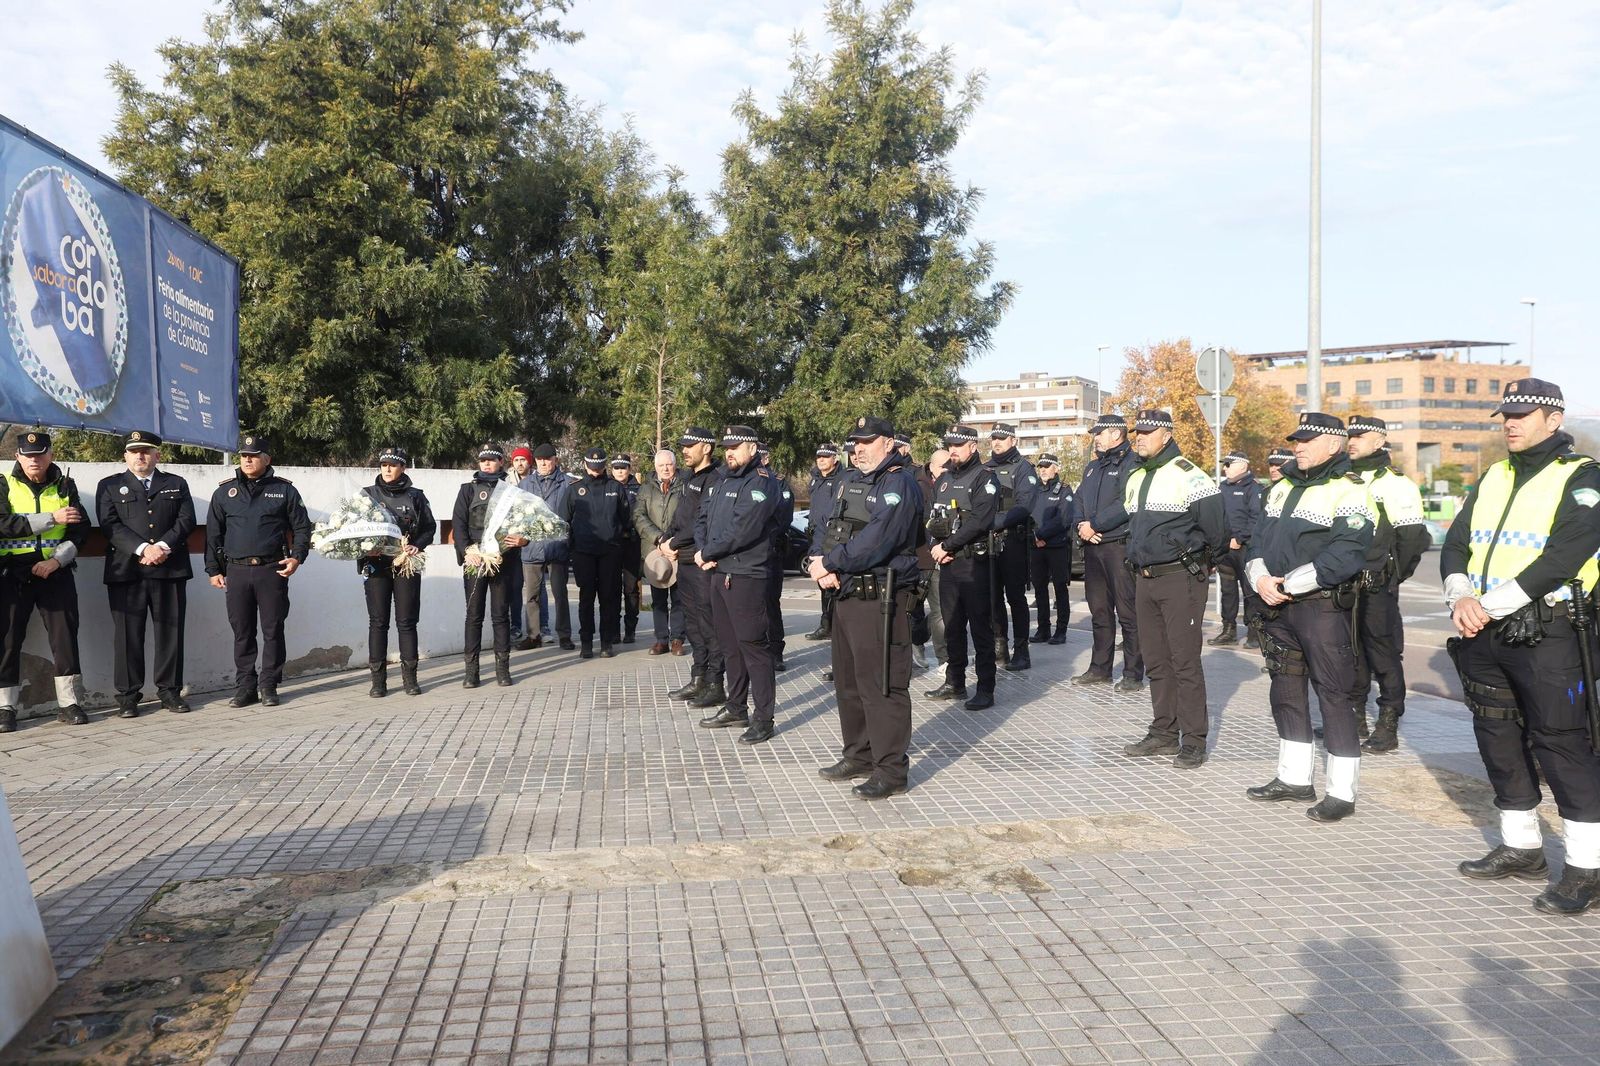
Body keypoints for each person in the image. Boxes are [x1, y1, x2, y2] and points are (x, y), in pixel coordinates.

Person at [1441, 378, 1600, 915]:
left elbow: (1563, 557)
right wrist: (1460, 594)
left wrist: (1488, 604)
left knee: (1562, 744)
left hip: (1547, 632)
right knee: (1497, 738)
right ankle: (1522, 847)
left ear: (1553, 420)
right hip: (1485, 632)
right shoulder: (1492, 475)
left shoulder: (1582, 479)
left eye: (1523, 414)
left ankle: (1586, 869)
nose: (1510, 422)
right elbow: (1457, 541)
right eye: (1505, 414)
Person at [1244, 412, 1374, 821]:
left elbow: (1347, 552)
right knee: (1285, 691)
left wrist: (1289, 585)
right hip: (1277, 606)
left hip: (1320, 606)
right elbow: (1256, 540)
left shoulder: (1350, 490)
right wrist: (1260, 577)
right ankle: (1295, 778)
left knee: (1333, 696)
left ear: (1333, 445)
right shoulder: (1280, 489)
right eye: (1297, 440)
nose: (1298, 446)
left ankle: (1341, 791)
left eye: (1308, 440)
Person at [809, 415, 924, 797]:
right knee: (848, 683)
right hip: (845, 594)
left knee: (882, 686)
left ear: (889, 443)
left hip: (881, 599)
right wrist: (817, 563)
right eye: (855, 441)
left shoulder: (899, 484)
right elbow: (830, 528)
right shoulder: (850, 481)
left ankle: (891, 770)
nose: (859, 447)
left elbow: (879, 539)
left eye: (868, 441)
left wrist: (831, 562)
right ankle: (858, 754)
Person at [1120, 409, 1227, 769]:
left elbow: (1216, 532)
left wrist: (1201, 564)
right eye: (1138, 432)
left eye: (1148, 432)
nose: (1140, 437)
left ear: (1167, 434)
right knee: (1156, 660)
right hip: (1144, 579)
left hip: (1180, 579)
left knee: (1184, 662)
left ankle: (1194, 740)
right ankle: (1164, 731)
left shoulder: (1190, 475)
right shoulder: (1135, 475)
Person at [205, 433, 313, 707]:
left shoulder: (284, 490)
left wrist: (297, 558)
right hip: (237, 571)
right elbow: (214, 535)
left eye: (253, 456)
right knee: (242, 632)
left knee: (272, 629)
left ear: (267, 459)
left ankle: (269, 685)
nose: (248, 460)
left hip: (271, 569)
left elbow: (302, 528)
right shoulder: (224, 492)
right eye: (244, 456)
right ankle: (245, 687)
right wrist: (213, 570)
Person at [96, 430, 196, 717]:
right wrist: (143, 549)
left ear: (157, 455)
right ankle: (128, 696)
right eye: (135, 451)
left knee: (170, 633)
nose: (140, 455)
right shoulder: (109, 486)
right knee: (127, 636)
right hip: (127, 572)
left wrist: (162, 546)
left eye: (146, 451)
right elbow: (110, 525)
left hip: (170, 568)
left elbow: (186, 519)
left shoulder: (176, 484)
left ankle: (169, 692)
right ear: (125, 455)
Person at [1346, 416, 1430, 752]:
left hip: (1377, 585)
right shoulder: (1342, 478)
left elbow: (1412, 540)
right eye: (1349, 435)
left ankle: (1389, 721)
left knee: (1383, 655)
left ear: (1380, 440)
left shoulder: (1397, 484)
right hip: (1345, 584)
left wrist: (1392, 575)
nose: (1352, 440)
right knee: (1351, 652)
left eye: (1360, 435)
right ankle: (1353, 718)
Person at [695, 426, 780, 742]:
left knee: (753, 649)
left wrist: (708, 551)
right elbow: (703, 519)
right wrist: (705, 551)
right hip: (718, 571)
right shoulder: (722, 479)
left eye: (735, 446)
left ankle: (763, 718)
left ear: (752, 448)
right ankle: (736, 707)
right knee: (729, 647)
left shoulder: (761, 482)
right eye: (726, 447)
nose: (729, 452)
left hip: (746, 576)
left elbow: (743, 529)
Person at [0, 431, 90, 727]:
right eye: (27, 454)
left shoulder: (65, 485)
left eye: (39, 454)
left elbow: (80, 531)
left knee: (64, 638)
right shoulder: (4, 483)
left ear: (50, 454)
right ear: (17, 457)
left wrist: (56, 560)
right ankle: (5, 708)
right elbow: (3, 525)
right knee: (8, 639)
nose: (34, 460)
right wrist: (52, 518)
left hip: (55, 572)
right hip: (12, 573)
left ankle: (68, 703)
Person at [925, 424, 1000, 711]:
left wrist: (947, 546)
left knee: (980, 627)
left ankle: (985, 688)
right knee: (951, 625)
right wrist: (936, 545)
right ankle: (955, 682)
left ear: (972, 446)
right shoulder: (943, 480)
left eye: (958, 445)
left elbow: (981, 520)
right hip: (948, 564)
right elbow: (931, 517)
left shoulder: (984, 478)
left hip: (973, 563)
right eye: (950, 445)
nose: (953, 450)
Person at [1072, 413, 1144, 690]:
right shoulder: (1092, 467)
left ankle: (1132, 672)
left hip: (1118, 545)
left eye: (1099, 433)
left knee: (1128, 613)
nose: (1096, 438)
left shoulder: (1132, 463)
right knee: (1099, 612)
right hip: (1093, 548)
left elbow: (1128, 503)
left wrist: (1096, 525)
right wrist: (1081, 524)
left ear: (1116, 434)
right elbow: (1078, 499)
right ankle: (1100, 669)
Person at [360, 447, 435, 697]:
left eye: (393, 465)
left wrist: (418, 545)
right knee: (378, 623)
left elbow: (429, 528)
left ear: (403, 467)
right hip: (376, 566)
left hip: (405, 564)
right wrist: (365, 549)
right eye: (383, 465)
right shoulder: (367, 495)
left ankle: (410, 679)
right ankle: (378, 681)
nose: (387, 469)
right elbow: (355, 530)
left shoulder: (416, 496)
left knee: (406, 622)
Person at [452, 443, 526, 687]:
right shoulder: (467, 490)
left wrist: (523, 539)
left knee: (500, 615)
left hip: (502, 560)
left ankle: (502, 670)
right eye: (483, 459)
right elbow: (459, 524)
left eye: (492, 460)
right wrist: (466, 550)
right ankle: (471, 672)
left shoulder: (513, 491)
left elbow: (525, 523)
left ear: (501, 463)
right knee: (473, 616)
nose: (486, 463)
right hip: (475, 559)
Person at [666, 427, 726, 708]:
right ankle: (698, 677)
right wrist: (665, 539)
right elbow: (681, 515)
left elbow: (702, 520)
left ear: (707, 448)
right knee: (692, 623)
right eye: (683, 445)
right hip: (686, 561)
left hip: (702, 562)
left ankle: (716, 683)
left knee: (709, 623)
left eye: (691, 445)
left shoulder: (716, 478)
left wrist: (674, 542)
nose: (685, 450)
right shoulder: (689, 477)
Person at [562, 448, 630, 658]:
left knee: (609, 598)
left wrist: (618, 540)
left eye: (599, 467)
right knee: (586, 598)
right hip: (584, 552)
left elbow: (625, 519)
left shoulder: (615, 488)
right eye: (591, 467)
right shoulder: (574, 489)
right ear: (584, 465)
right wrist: (572, 546)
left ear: (604, 465)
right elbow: (563, 520)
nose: (595, 471)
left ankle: (607, 641)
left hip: (610, 552)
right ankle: (586, 642)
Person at [985, 424, 1040, 670]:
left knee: (1015, 597)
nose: (997, 443)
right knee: (992, 597)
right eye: (994, 438)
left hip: (1012, 540)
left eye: (1002, 438)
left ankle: (1022, 651)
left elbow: (1024, 505)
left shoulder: (1023, 468)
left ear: (1013, 440)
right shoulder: (986, 468)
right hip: (988, 541)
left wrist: (993, 523)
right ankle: (1000, 647)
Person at [518, 444, 572, 650]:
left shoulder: (567, 483)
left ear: (555, 460)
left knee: (560, 594)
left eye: (547, 459)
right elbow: (518, 515)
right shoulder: (525, 485)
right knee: (531, 595)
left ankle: (564, 635)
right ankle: (534, 635)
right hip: (531, 547)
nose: (543, 463)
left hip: (558, 547)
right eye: (539, 459)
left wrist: (568, 540)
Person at [1210, 451, 1263, 648]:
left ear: (1242, 465)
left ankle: (1253, 632)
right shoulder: (1222, 487)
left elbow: (1255, 518)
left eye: (1228, 464)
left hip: (1244, 548)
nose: (1225, 468)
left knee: (1249, 591)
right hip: (1226, 548)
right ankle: (1228, 630)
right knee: (1228, 591)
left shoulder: (1253, 488)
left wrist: (1239, 539)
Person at [635, 448, 686, 655]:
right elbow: (639, 516)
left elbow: (689, 515)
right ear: (655, 467)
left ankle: (677, 639)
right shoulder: (645, 489)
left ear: (675, 464)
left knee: (678, 598)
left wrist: (674, 541)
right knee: (657, 599)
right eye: (661, 465)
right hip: (654, 551)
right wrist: (658, 538)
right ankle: (661, 639)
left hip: (678, 549)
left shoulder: (685, 486)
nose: (666, 468)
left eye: (669, 464)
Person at [1029, 453, 1074, 645]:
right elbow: (1027, 515)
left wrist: (1041, 535)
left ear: (1056, 468)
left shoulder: (1064, 490)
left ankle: (1061, 630)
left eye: (1047, 466)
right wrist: (1034, 536)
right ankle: (1043, 629)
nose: (1043, 470)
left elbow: (1063, 519)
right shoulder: (1034, 491)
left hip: (1057, 547)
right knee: (1039, 589)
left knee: (1059, 588)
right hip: (1036, 548)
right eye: (1041, 467)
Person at [910, 448, 948, 670]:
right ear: (932, 466)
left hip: (939, 558)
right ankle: (916, 645)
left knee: (940, 611)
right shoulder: (915, 484)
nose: (947, 470)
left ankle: (944, 658)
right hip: (917, 557)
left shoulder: (951, 483)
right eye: (943, 466)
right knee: (913, 610)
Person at [805, 443, 845, 640]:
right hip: (815, 535)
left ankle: (831, 624)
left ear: (835, 459)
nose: (821, 460)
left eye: (825, 457)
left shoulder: (839, 479)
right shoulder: (814, 480)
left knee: (831, 581)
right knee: (822, 584)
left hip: (831, 536)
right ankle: (826, 623)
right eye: (818, 456)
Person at [758, 446, 793, 670]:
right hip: (750, 554)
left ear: (767, 458)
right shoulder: (747, 480)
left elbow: (784, 516)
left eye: (760, 456)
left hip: (771, 550)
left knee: (771, 603)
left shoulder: (779, 482)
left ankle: (776, 651)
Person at [611, 454, 642, 644]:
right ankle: (614, 630)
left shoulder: (639, 489)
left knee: (630, 589)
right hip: (613, 545)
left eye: (623, 467)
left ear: (629, 469)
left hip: (632, 543)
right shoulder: (608, 487)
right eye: (616, 468)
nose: (620, 471)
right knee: (612, 588)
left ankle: (630, 629)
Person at [505, 446, 533, 640]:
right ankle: (515, 626)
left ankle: (541, 627)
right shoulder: (506, 483)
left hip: (532, 541)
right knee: (514, 587)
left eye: (523, 460)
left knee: (535, 588)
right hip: (511, 542)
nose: (520, 463)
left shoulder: (537, 482)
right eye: (516, 460)